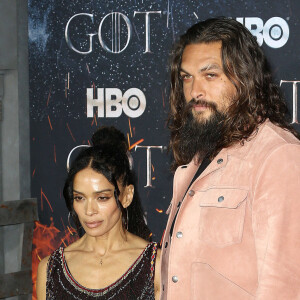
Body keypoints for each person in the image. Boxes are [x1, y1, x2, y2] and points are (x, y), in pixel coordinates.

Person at [161, 17, 300, 299]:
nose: (194, 91)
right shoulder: (202, 154)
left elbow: (284, 286)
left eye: (210, 75)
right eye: (187, 77)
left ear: (244, 78)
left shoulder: (278, 156)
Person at [36, 126, 161, 299]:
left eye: (102, 198)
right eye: (80, 198)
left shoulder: (156, 266)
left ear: (127, 196)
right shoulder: (51, 269)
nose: (89, 211)